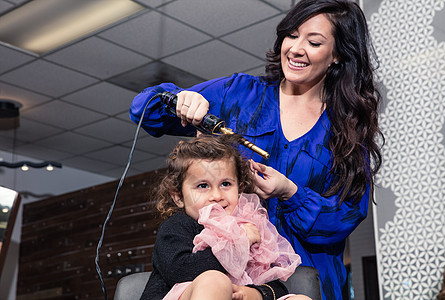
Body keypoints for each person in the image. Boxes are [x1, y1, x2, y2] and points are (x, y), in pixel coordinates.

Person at [130, 0, 383, 299]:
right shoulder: (240, 95)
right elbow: (144, 108)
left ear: (337, 55)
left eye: (313, 42)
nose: (296, 48)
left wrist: (290, 191)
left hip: (304, 278)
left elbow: (348, 215)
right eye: (291, 35)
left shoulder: (347, 129)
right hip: (224, 274)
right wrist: (179, 99)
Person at [140, 134, 311, 300]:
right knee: (215, 281)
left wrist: (254, 294)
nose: (216, 195)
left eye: (225, 184)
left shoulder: (249, 226)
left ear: (240, 189)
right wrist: (239, 244)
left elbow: (275, 285)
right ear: (178, 196)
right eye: (203, 185)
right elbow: (180, 271)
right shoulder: (177, 226)